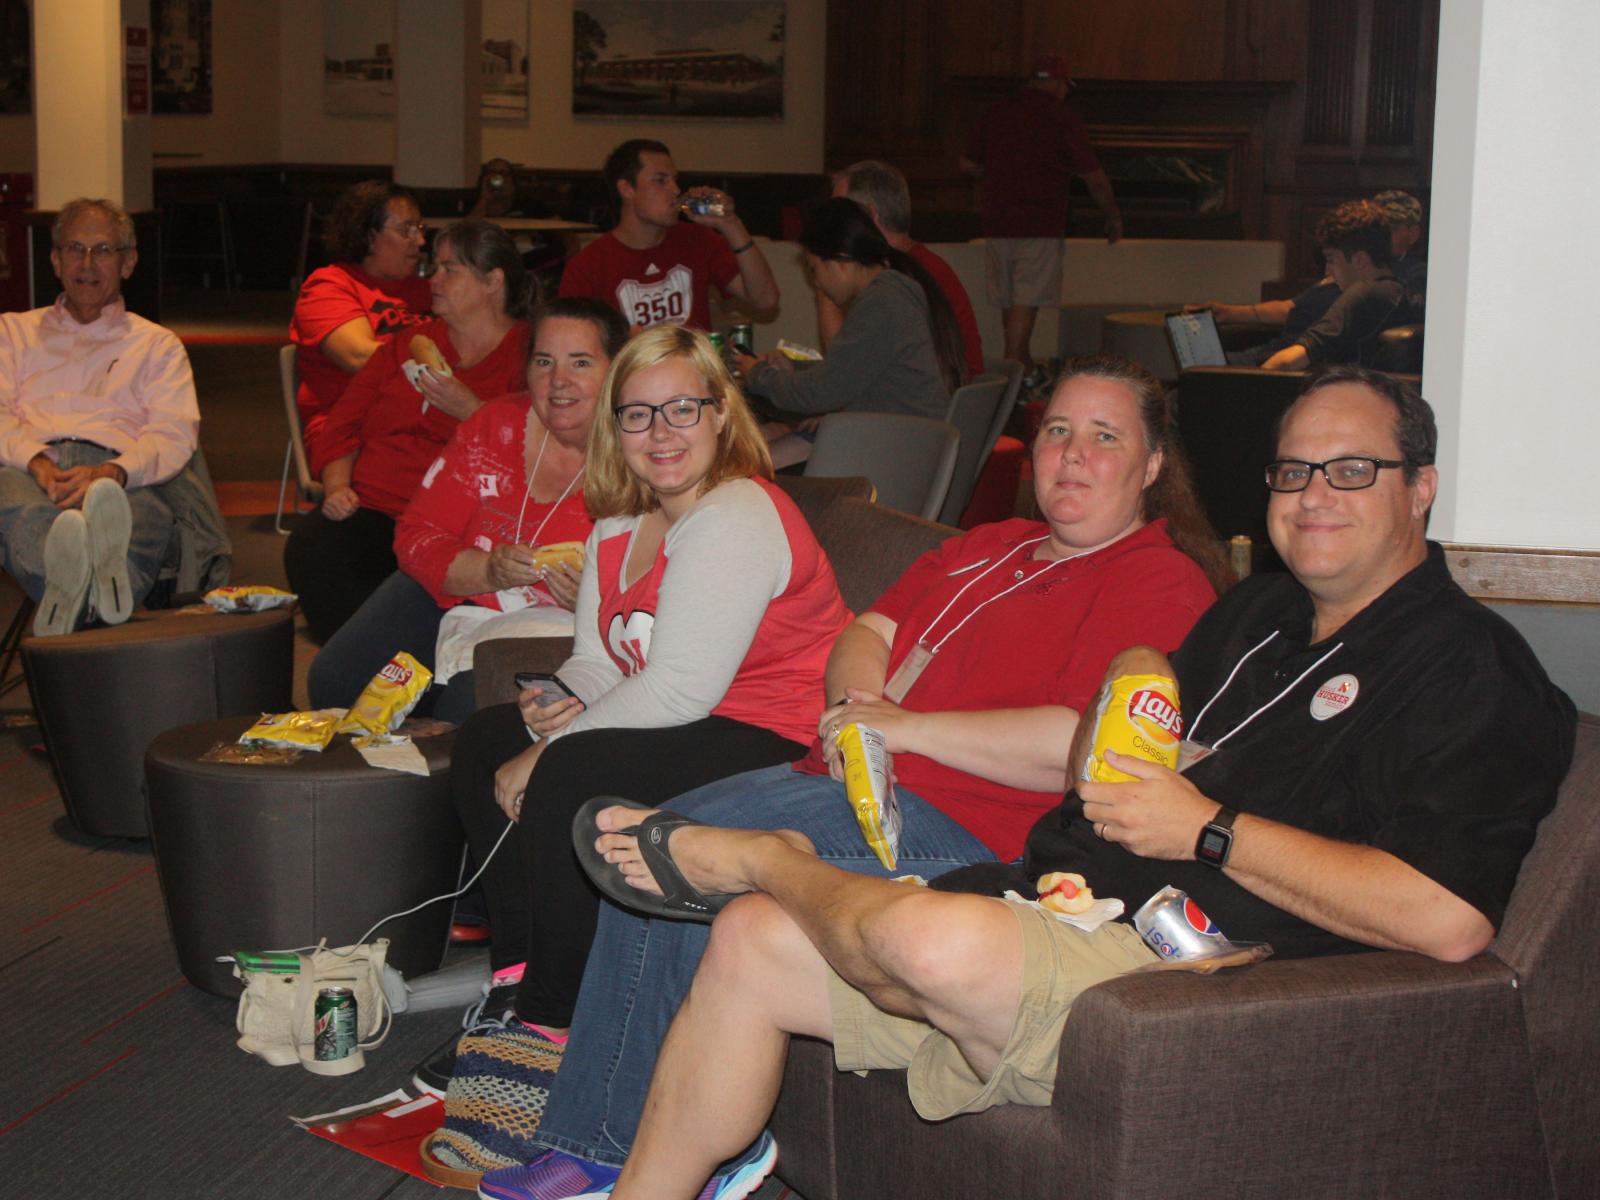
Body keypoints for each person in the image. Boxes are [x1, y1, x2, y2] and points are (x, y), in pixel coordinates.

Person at [550, 366, 1577, 1200]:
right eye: (1292, 471)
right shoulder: (1256, 616)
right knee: (747, 943)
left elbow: (1446, 919)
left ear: (1422, 486)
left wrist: (1208, 829)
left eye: (1351, 471)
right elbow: (1131, 744)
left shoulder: (1468, 668)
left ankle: (775, 865)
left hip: (1209, 977)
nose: (1312, 497)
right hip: (1065, 902)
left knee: (913, 935)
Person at [468, 354, 1233, 1200]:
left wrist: (905, 730)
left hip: (977, 835)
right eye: (1057, 431)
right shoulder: (992, 547)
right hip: (852, 786)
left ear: (1153, 465)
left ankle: (607, 1142)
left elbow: (1082, 751)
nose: (1072, 455)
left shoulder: (1159, 579)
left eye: (1103, 437)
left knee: (672, 847)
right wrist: (855, 714)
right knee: (654, 837)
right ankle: (618, 1127)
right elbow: (866, 628)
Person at [418, 325, 851, 1184]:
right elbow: (603, 659)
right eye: (638, 413)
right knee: (484, 739)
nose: (660, 432)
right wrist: (558, 704)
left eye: (682, 407)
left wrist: (553, 755)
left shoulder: (739, 513)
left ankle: (553, 1031)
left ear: (722, 413)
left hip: (773, 737)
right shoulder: (619, 516)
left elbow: (681, 691)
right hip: (684, 721)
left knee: (571, 771)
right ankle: (518, 975)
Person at [304, 297, 628, 723]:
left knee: (465, 708)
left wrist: (592, 599)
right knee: (337, 679)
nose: (557, 381)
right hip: (460, 594)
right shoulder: (495, 425)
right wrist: (488, 570)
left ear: (617, 371)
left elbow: (663, 587)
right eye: (544, 361)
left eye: (581, 363)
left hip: (566, 629)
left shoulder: (642, 452)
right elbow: (417, 536)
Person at [286, 219, 534, 643]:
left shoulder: (530, 353)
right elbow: (341, 424)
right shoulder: (406, 344)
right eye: (433, 268)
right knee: (313, 545)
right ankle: (363, 665)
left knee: (425, 583)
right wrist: (336, 485)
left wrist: (471, 409)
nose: (432, 280)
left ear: (493, 281)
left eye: (449, 270)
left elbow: (540, 448)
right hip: (375, 508)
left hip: (463, 522)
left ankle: (392, 666)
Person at [0, 198, 203, 636]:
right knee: (10, 503)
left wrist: (114, 471)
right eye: (75, 248)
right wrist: (36, 461)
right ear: (55, 260)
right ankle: (95, 599)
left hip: (120, 475)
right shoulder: (11, 332)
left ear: (128, 263)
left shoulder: (158, 346)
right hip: (30, 471)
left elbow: (173, 433)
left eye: (103, 250)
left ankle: (70, 599)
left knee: (144, 515)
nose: (87, 263)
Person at [731, 198, 966, 468]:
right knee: (767, 455)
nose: (816, 282)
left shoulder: (881, 303)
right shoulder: (893, 290)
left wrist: (759, 375)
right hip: (906, 443)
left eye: (814, 269)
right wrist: (794, 367)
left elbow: (823, 392)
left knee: (755, 467)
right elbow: (856, 371)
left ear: (840, 260)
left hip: (897, 456)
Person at [960, 55, 1123, 386]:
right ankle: (1010, 375)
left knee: (1011, 300)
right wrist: (1113, 216)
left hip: (997, 222)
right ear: (1060, 84)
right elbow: (1094, 178)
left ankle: (1025, 367)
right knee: (1026, 298)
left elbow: (966, 164)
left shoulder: (997, 113)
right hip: (1040, 221)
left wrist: (996, 172)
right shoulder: (1062, 118)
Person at [559, 139, 779, 333]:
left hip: (693, 376)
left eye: (675, 179)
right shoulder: (589, 265)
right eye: (660, 180)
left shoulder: (698, 240)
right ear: (627, 189)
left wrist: (731, 224)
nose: (675, 190)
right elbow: (572, 344)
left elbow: (765, 299)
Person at [1202, 191, 1427, 361]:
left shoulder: (1384, 286)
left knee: (1187, 390)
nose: (1327, 270)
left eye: (1393, 227)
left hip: (1295, 370)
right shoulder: (1347, 275)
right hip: (1279, 350)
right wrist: (1227, 312)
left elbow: (1294, 359)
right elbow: (1290, 307)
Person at [289, 181, 432, 442]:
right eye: (406, 230)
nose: (420, 240)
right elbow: (359, 357)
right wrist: (439, 354)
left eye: (419, 228)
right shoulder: (329, 286)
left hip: (420, 423)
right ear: (369, 236)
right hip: (352, 432)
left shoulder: (429, 289)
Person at [823, 160, 985, 381]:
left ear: (870, 216)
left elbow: (841, 373)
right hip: (949, 403)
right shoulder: (923, 266)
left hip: (928, 411)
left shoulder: (897, 278)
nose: (833, 228)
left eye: (840, 216)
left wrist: (824, 285)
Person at [1260, 201, 1424, 371]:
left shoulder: (1366, 294)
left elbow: (1288, 361)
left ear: (1359, 260)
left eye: (1331, 260)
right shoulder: (1394, 294)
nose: (1326, 271)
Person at [1374, 189, 1427, 295]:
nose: (1381, 235)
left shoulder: (1418, 275)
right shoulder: (1360, 262)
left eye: (1392, 229)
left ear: (1413, 234)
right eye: (1377, 228)